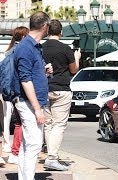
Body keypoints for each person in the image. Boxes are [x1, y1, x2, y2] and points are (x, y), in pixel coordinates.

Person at [13, 12, 52, 180]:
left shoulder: (33, 46)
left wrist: (43, 72)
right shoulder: (26, 47)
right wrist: (37, 109)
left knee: (27, 144)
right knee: (35, 144)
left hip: (31, 102)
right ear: (44, 26)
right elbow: (25, 80)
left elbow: (29, 75)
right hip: (28, 103)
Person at [42, 19, 81, 171]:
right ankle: (52, 158)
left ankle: (50, 155)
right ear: (61, 32)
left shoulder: (41, 47)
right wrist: (76, 59)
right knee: (59, 125)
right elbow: (73, 70)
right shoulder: (66, 49)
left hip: (45, 88)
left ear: (47, 31)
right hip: (62, 89)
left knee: (48, 124)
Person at [0, 26, 30, 165]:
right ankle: (16, 152)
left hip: (11, 93)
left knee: (16, 122)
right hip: (20, 92)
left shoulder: (8, 52)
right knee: (21, 123)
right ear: (24, 37)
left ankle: (14, 150)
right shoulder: (20, 51)